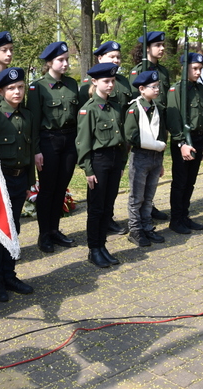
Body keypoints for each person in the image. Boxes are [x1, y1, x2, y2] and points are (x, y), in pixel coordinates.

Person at [0, 67, 37, 301]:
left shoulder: (27, 116)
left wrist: (29, 182)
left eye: (20, 87)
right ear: (0, 91)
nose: (17, 92)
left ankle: (9, 275)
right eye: (11, 88)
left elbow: (29, 151)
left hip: (19, 179)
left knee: (13, 228)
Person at [27, 41, 80, 253]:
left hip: (69, 140)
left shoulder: (72, 84)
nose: (65, 64)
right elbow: (33, 121)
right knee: (48, 189)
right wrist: (36, 150)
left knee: (61, 187)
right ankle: (44, 234)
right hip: (48, 140)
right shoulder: (37, 87)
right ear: (49, 62)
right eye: (60, 60)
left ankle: (55, 230)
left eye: (67, 59)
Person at [76, 62, 127, 268]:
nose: (110, 85)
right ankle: (94, 249)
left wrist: (122, 163)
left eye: (113, 81)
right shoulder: (89, 110)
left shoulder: (115, 107)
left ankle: (103, 246)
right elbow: (83, 143)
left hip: (114, 160)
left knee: (108, 206)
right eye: (106, 81)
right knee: (96, 208)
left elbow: (122, 138)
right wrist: (88, 170)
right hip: (99, 162)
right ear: (95, 82)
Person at [79, 40, 133, 235]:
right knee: (97, 201)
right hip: (98, 152)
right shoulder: (89, 100)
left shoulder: (122, 87)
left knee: (109, 196)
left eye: (118, 57)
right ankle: (95, 240)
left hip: (116, 149)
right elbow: (85, 133)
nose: (111, 85)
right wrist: (87, 167)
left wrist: (123, 157)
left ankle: (105, 227)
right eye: (112, 57)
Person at [129, 30, 171, 222]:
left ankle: (149, 208)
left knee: (154, 172)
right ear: (147, 48)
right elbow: (134, 101)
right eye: (157, 45)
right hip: (145, 127)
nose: (162, 48)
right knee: (141, 175)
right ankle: (139, 218)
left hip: (159, 125)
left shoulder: (163, 71)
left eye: (163, 45)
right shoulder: (138, 70)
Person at [166, 53, 203, 234]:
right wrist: (181, 143)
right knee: (180, 182)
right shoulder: (176, 90)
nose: (198, 72)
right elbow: (173, 118)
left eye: (200, 69)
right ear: (184, 68)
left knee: (190, 182)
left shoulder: (200, 89)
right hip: (183, 142)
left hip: (198, 140)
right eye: (194, 69)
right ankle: (176, 220)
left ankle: (184, 216)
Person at [123, 70, 167, 247]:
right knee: (137, 197)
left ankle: (147, 227)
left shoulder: (157, 108)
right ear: (141, 89)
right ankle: (135, 230)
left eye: (158, 86)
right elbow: (130, 136)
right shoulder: (134, 109)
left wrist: (161, 160)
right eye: (153, 87)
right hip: (140, 157)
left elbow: (162, 135)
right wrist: (155, 145)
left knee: (149, 197)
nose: (157, 90)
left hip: (156, 158)